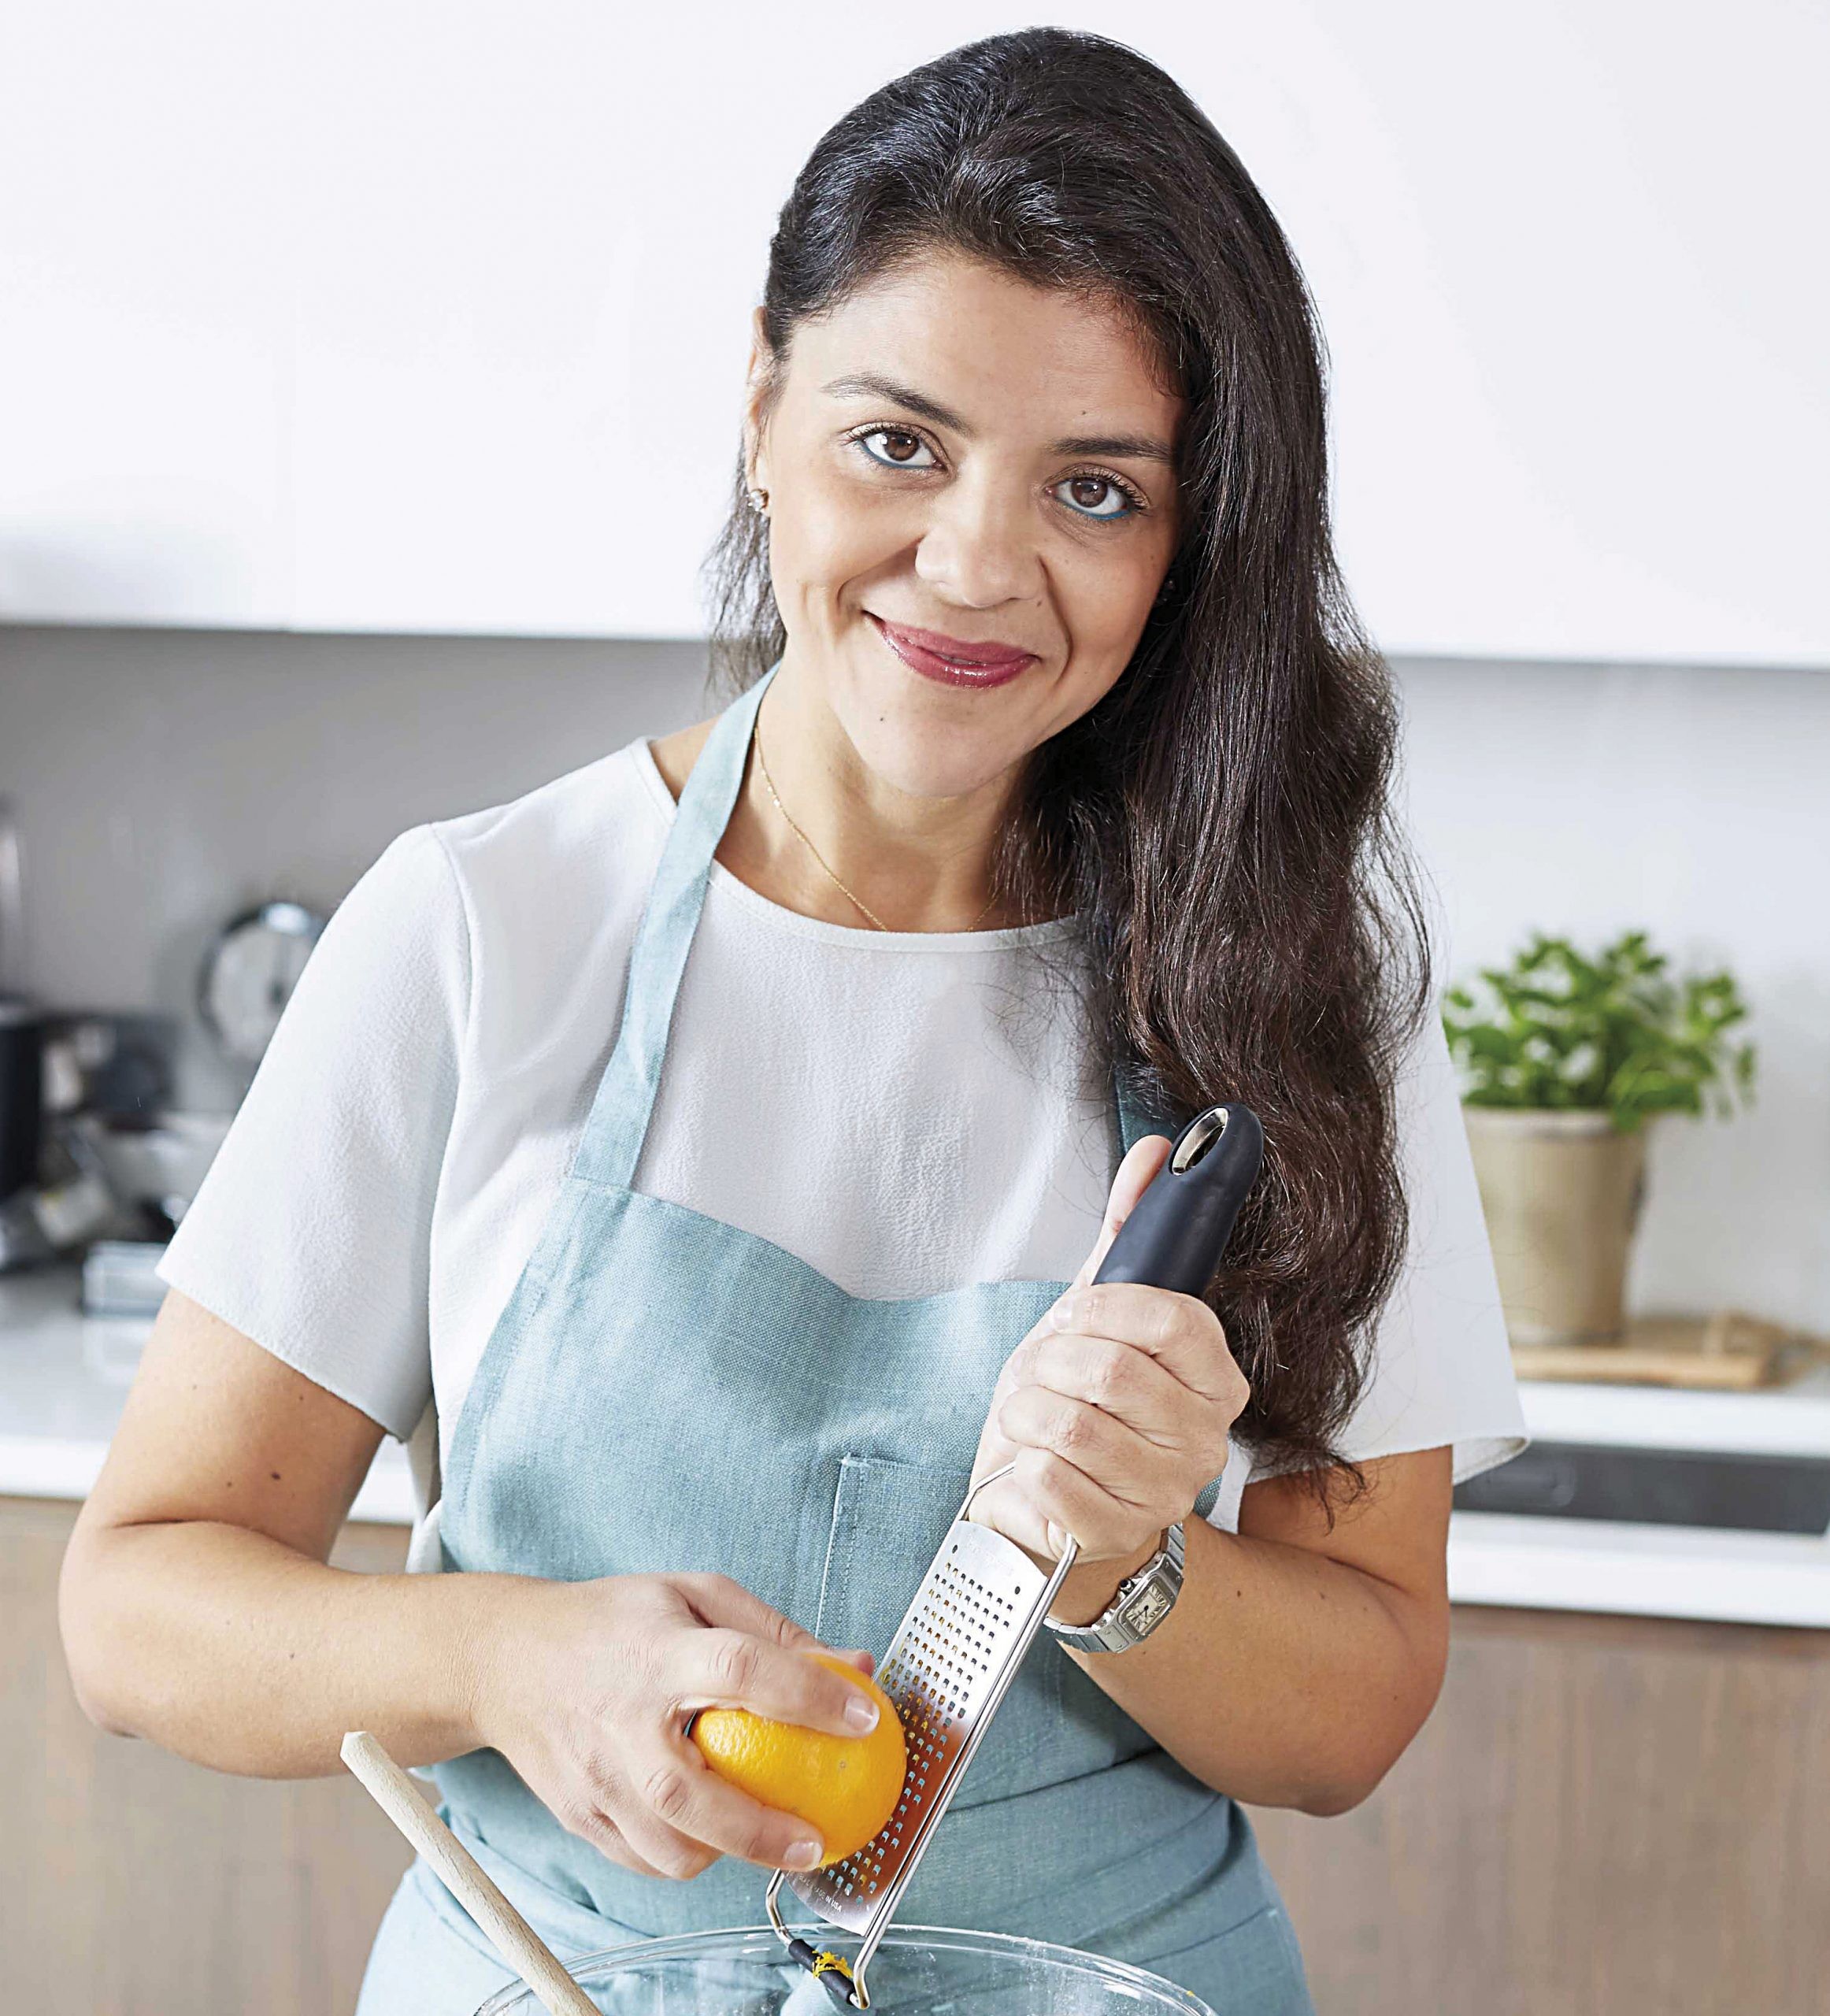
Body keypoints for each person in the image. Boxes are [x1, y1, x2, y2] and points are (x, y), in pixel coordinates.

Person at [59, 28, 1526, 2015]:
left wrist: (1119, 1559)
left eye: (1093, 487)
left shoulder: (1291, 973)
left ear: (1191, 541)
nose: (973, 563)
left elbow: (1353, 1710)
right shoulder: (485, 926)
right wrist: (506, 1655)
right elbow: (140, 1603)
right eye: (896, 442)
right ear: (761, 406)